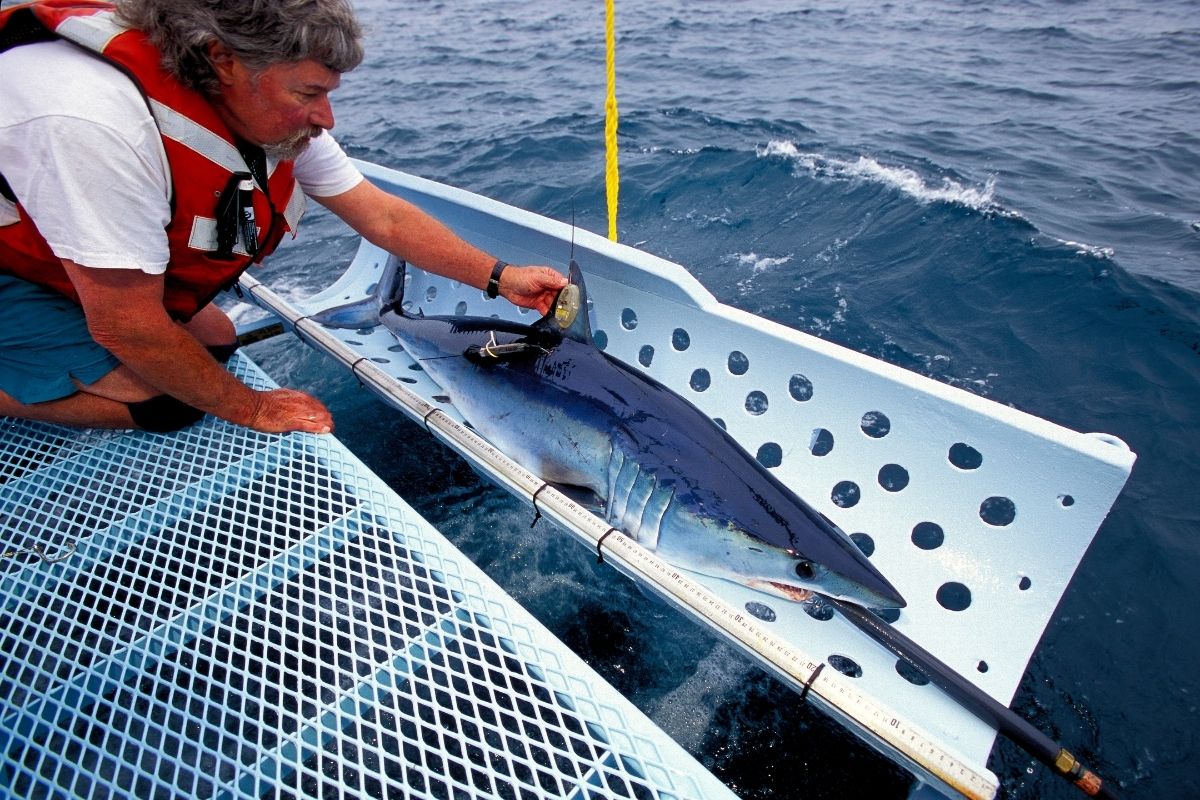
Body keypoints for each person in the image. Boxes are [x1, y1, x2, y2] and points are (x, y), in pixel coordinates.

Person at [0, 0, 567, 435]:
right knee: (169, 402)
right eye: (310, 92)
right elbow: (125, 326)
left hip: (54, 243)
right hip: (13, 268)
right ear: (223, 60)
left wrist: (501, 277)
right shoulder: (95, 124)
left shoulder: (257, 105)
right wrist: (250, 408)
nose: (327, 117)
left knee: (216, 339)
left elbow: (383, 218)